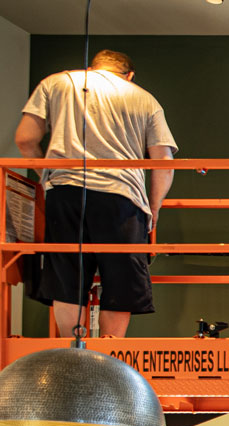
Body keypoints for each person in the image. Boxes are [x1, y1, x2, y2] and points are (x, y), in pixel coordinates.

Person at [13, 50, 177, 338]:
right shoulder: (143, 98)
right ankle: (110, 353)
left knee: (67, 277)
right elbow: (163, 162)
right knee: (121, 280)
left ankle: (74, 351)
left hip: (65, 192)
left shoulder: (58, 82)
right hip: (122, 196)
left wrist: (48, 177)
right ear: (129, 75)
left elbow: (25, 139)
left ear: (92, 67)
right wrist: (154, 209)